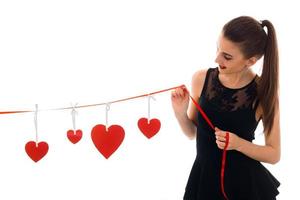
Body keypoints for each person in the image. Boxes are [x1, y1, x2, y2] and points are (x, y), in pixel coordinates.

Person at [171, 16, 280, 200]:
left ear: (250, 61)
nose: (216, 58)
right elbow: (192, 133)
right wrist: (180, 112)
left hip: (245, 187)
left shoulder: (264, 94)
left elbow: (274, 154)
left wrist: (238, 144)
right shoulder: (201, 79)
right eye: (218, 49)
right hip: (203, 181)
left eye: (227, 56)